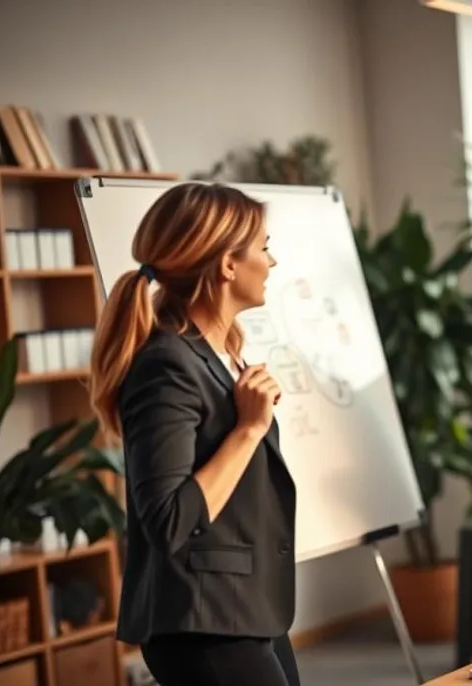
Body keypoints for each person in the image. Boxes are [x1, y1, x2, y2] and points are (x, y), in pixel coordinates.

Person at [88, 183, 298, 686]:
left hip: (244, 606)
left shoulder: (218, 354)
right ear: (228, 264)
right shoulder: (166, 364)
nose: (272, 261)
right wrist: (248, 430)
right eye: (264, 247)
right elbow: (167, 519)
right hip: (201, 623)